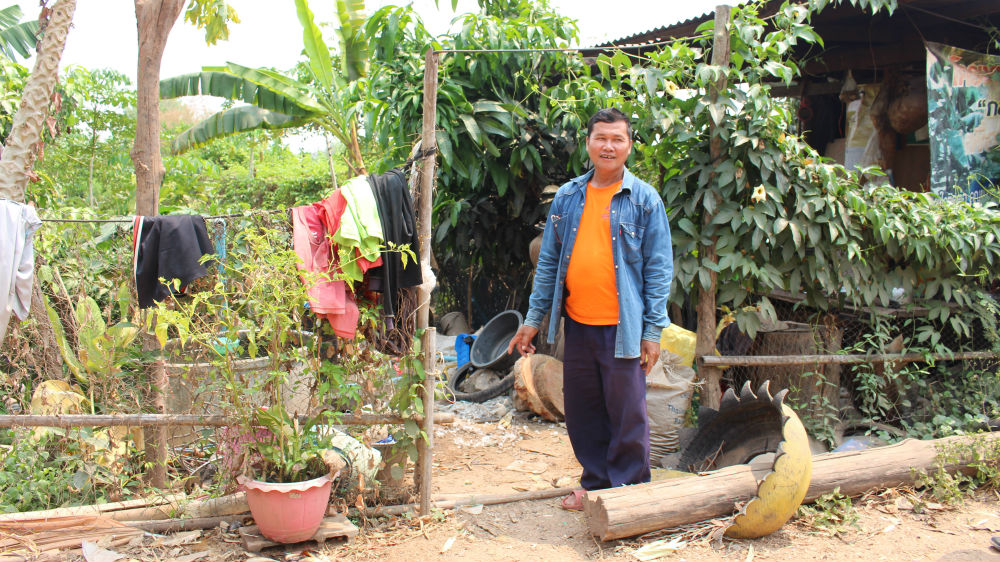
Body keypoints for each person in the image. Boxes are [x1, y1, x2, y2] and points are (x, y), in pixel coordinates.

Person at [506, 107, 673, 510]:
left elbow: (659, 269)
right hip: (578, 325)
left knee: (627, 414)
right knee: (584, 411)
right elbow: (549, 262)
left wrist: (652, 331)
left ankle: (628, 494)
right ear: (588, 144)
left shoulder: (645, 200)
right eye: (601, 138)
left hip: (624, 328)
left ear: (629, 145)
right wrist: (533, 320)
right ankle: (596, 486)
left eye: (617, 139)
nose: (608, 146)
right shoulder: (568, 197)